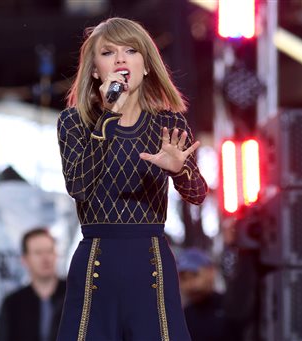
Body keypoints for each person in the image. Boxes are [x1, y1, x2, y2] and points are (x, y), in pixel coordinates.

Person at [57, 17, 208, 341]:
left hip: (151, 261)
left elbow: (197, 194)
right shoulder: (75, 122)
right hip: (97, 262)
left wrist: (178, 170)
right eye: (109, 52)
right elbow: (79, 187)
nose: (121, 59)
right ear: (95, 70)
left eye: (131, 50)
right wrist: (108, 116)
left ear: (147, 65)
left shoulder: (168, 123)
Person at [0, 228, 66, 341]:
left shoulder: (74, 295)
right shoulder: (13, 304)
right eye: (38, 253)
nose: (46, 258)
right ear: (25, 259)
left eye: (50, 251)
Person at [177, 247, 227, 341]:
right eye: (184, 278)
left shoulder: (231, 307)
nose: (190, 284)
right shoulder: (183, 318)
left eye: (194, 275)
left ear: (211, 271)